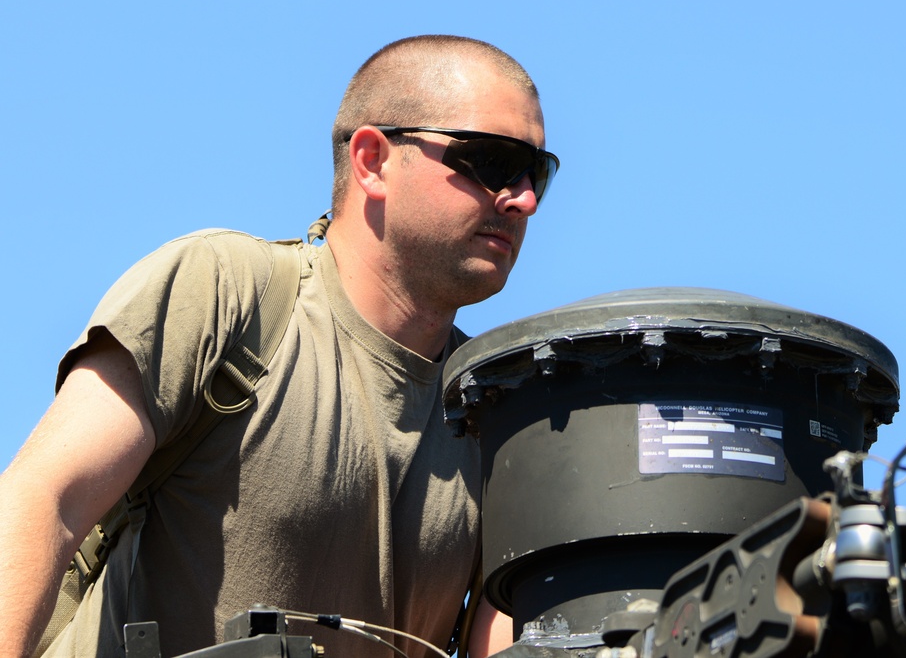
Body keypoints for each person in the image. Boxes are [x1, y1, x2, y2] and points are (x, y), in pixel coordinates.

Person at [0, 34, 558, 658]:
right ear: (373, 160)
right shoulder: (229, 295)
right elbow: (42, 501)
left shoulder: (496, 410)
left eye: (538, 172)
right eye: (491, 162)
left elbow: (501, 640)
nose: (523, 199)